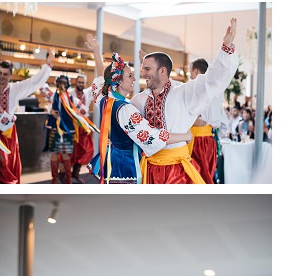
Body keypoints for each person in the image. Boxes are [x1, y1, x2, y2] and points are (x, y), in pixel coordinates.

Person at [131, 19, 239, 183]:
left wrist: (225, 49)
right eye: (142, 68)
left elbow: (211, 81)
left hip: (177, 171)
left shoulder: (183, 92)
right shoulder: (138, 100)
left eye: (147, 69)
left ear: (162, 71)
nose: (143, 73)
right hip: (148, 168)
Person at [82, 35, 192, 184]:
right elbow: (152, 136)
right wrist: (185, 136)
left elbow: (104, 78)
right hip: (125, 165)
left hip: (112, 159)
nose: (135, 79)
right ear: (119, 82)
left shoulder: (105, 99)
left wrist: (96, 52)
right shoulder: (125, 110)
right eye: (130, 76)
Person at [0, 52, 52, 184]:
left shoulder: (15, 88)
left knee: (8, 165)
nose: (1, 77)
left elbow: (34, 82)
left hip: (7, 133)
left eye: (5, 74)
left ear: (10, 75)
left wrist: (47, 65)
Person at [188, 58, 228, 184]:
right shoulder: (216, 92)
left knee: (197, 175)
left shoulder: (194, 89)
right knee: (206, 174)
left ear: (195, 71)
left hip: (197, 141)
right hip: (209, 140)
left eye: (191, 72)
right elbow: (224, 123)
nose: (190, 75)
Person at [69, 74, 96, 183]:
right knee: (70, 151)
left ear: (85, 83)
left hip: (84, 127)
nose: (81, 84)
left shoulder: (87, 92)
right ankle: (65, 174)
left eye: (82, 82)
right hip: (71, 126)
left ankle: (75, 173)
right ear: (76, 82)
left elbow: (98, 82)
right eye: (79, 82)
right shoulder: (70, 93)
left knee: (85, 150)